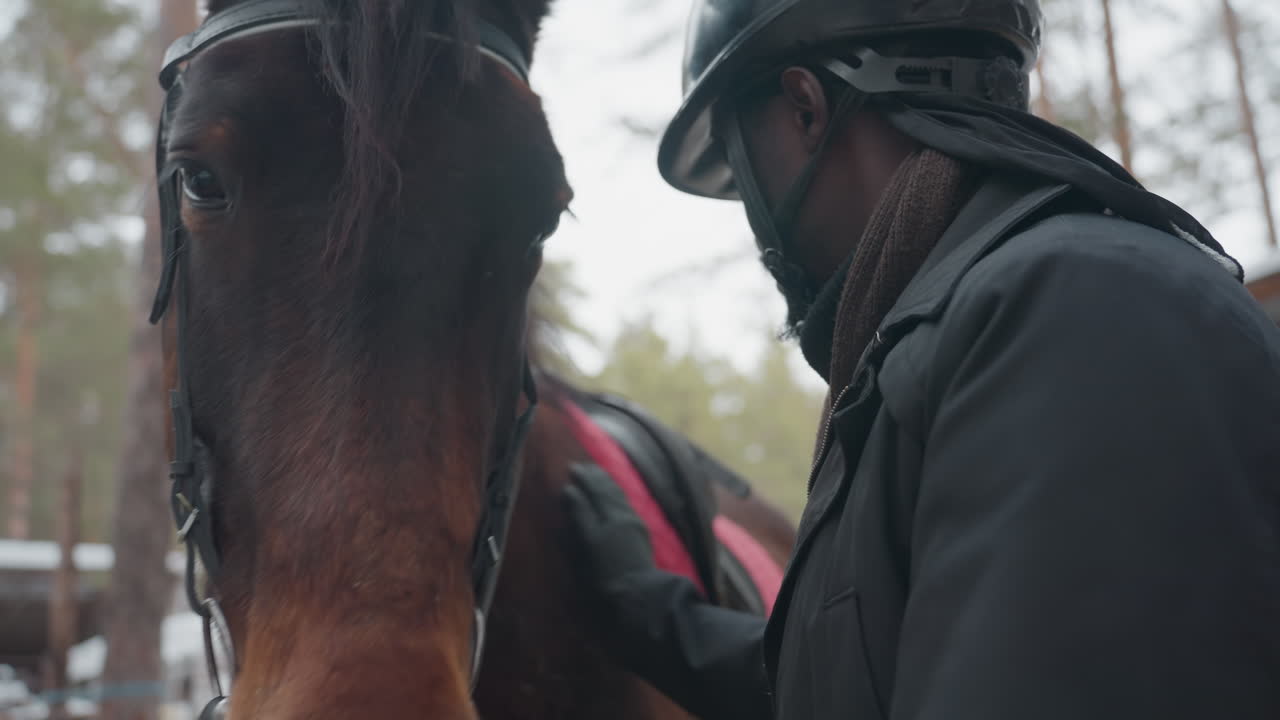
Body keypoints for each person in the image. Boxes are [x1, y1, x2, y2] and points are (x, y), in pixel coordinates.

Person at [560, 1, 1280, 718]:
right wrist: (648, 609)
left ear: (804, 108)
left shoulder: (1083, 308)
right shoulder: (965, 343)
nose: (754, 221)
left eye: (745, 161)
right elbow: (855, 682)